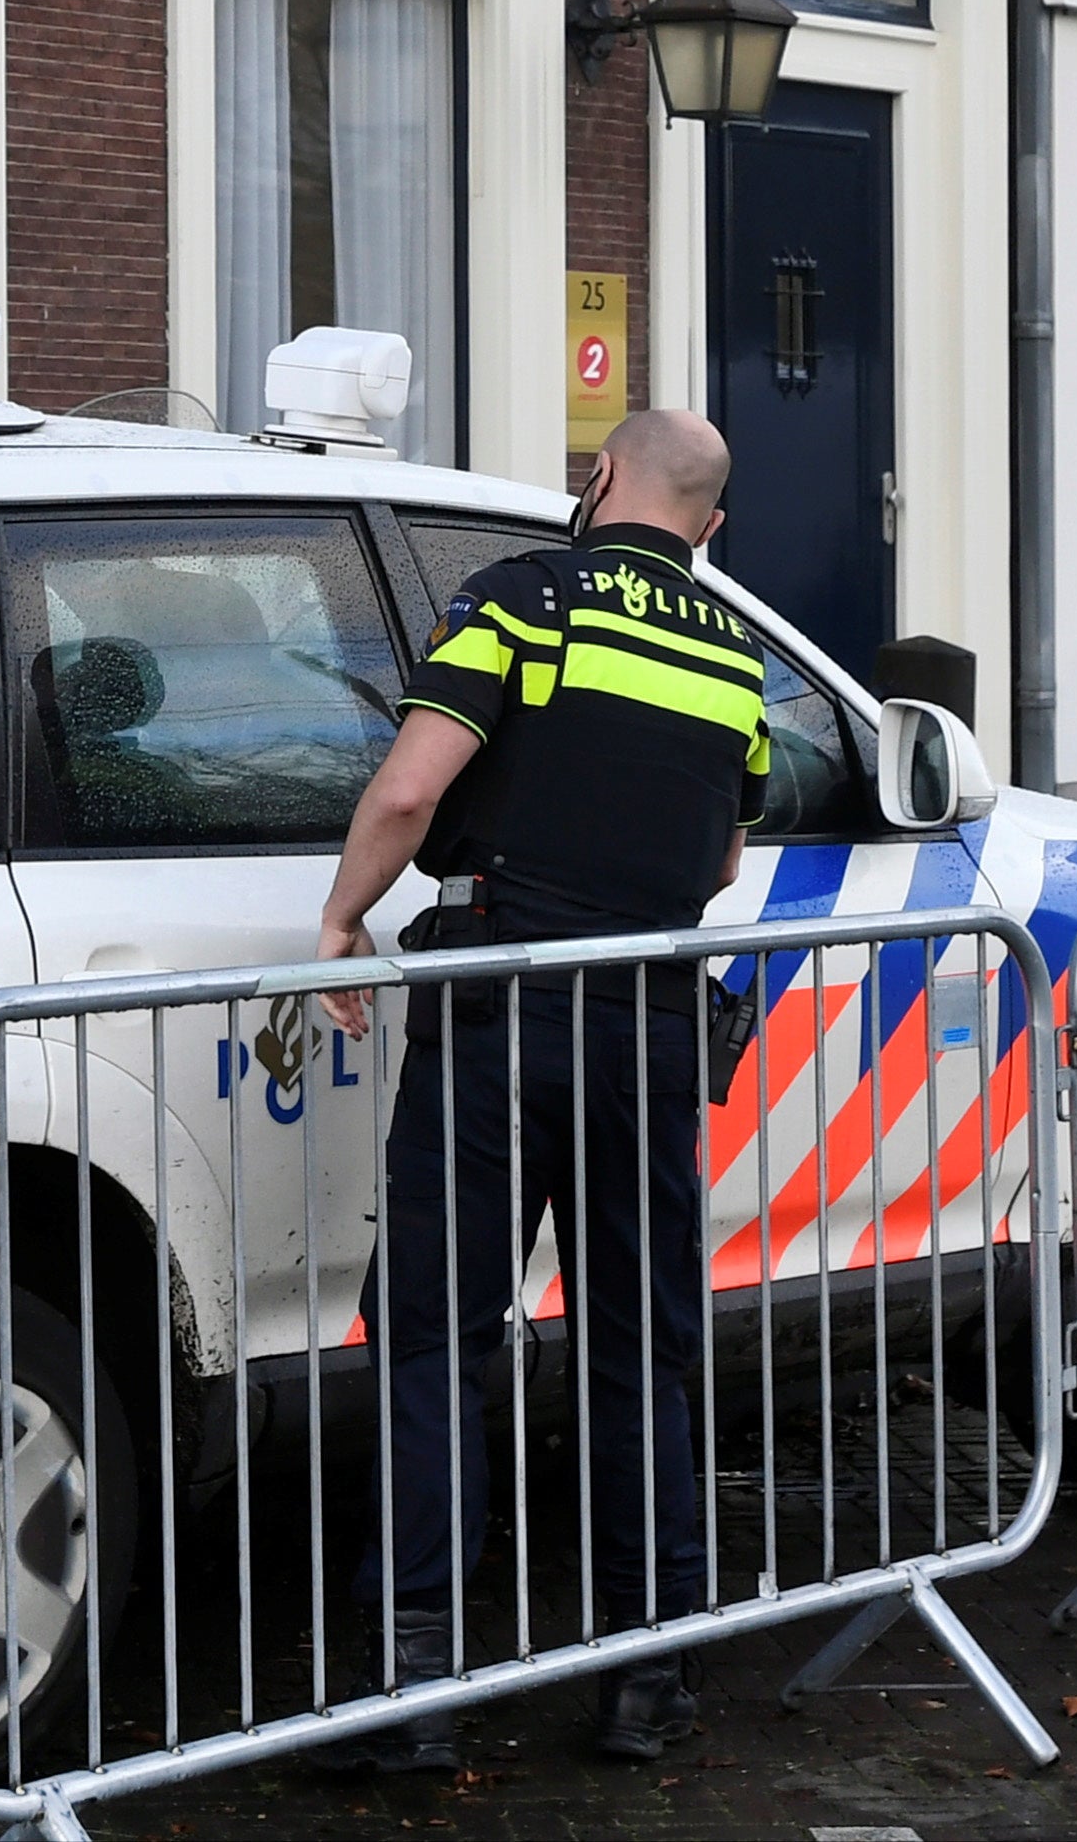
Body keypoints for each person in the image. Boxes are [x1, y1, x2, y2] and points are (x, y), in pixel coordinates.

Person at [303, 409, 765, 1774]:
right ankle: (645, 1680)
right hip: (649, 1029)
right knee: (642, 1351)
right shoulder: (729, 653)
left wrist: (338, 922)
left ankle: (414, 1691)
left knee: (440, 1343)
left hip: (501, 1015)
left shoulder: (519, 602)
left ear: (600, 479)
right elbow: (724, 865)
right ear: (708, 525)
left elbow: (406, 792)